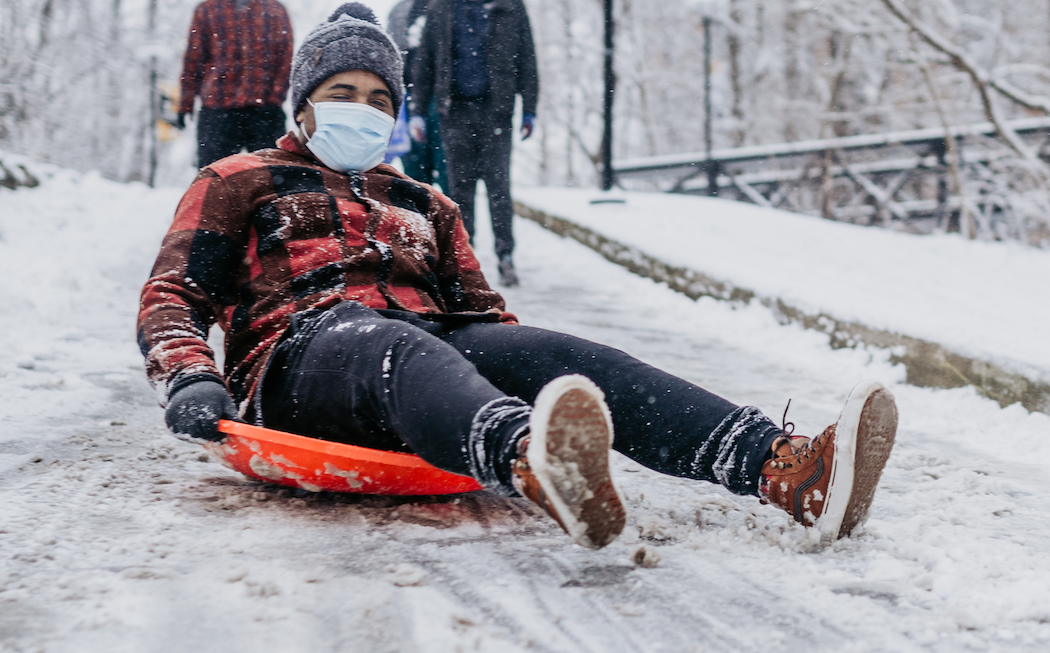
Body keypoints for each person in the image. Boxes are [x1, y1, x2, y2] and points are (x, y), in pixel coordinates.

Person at [138, 4, 898, 551]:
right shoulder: (242, 178)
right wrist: (188, 376)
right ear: (303, 104)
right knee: (382, 341)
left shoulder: (421, 201)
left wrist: (533, 363)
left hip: (422, 350)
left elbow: (482, 317)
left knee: (559, 355)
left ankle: (784, 469)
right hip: (301, 359)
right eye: (342, 93)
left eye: (379, 99)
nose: (361, 110)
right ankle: (533, 460)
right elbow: (174, 295)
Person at [409, 0, 539, 287]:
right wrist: (417, 111)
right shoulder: (440, 8)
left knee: (498, 187)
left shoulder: (510, 6)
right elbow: (426, 61)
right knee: (459, 190)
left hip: (497, 110)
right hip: (454, 111)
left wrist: (530, 108)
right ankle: (463, 259)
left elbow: (526, 58)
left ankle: (506, 256)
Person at [177, 0, 294, 168]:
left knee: (274, 176)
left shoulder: (274, 9)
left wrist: (275, 98)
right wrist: (185, 104)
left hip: (264, 111)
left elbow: (286, 58)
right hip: (217, 108)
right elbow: (194, 59)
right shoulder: (208, 9)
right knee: (213, 177)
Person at [387, 0, 449, 191]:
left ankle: (442, 215)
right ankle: (422, 214)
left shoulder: (447, 8)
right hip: (412, 98)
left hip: (438, 99)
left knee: (443, 168)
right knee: (418, 170)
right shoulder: (400, 11)